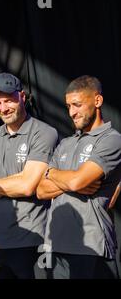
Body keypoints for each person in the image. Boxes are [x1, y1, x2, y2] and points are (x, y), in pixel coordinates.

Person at [37, 75, 121, 279]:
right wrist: (60, 177)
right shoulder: (65, 143)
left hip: (91, 246)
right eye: (68, 106)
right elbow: (40, 190)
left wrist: (57, 176)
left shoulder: (111, 139)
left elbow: (77, 181)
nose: (72, 112)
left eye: (77, 105)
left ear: (97, 101)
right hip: (56, 243)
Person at [0, 73, 58, 279]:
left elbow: (27, 185)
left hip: (31, 240)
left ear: (22, 97)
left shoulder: (43, 132)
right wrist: (10, 184)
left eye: (8, 100)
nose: (3, 108)